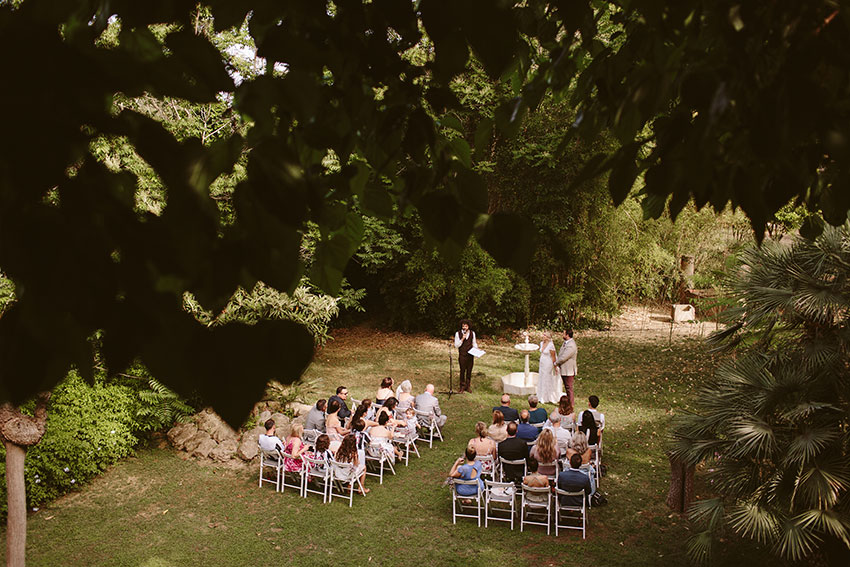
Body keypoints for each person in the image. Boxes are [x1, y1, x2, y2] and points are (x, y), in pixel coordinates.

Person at [536, 331, 563, 404]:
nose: (543, 336)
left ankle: (546, 397)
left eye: (544, 335)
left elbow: (553, 357)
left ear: (548, 337)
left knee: (546, 378)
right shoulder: (541, 343)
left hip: (548, 364)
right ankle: (540, 395)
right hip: (542, 363)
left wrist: (555, 367)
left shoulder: (551, 345)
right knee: (541, 377)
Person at [453, 319, 478, 393]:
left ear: (469, 326)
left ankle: (468, 386)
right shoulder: (458, 334)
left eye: (466, 326)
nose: (464, 327)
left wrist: (476, 349)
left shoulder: (472, 333)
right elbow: (456, 345)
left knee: (469, 371)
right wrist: (462, 339)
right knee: (462, 371)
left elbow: (474, 343)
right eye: (463, 326)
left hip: (470, 355)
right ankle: (462, 386)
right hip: (462, 355)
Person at [555, 328, 577, 406]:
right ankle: (568, 403)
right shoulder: (566, 343)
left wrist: (556, 363)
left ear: (567, 335)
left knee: (569, 387)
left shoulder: (571, 345)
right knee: (567, 387)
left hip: (569, 370)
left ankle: (571, 404)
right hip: (564, 369)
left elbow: (564, 357)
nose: (562, 335)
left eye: (563, 333)